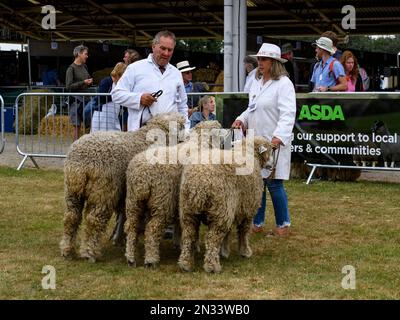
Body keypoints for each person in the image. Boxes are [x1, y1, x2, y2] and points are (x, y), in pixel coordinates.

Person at [231, 43, 296, 236]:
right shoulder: (256, 82)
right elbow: (252, 108)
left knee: (274, 183)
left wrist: (278, 137)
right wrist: (241, 119)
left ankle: (283, 224)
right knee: (257, 182)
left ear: (274, 62)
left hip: (273, 142)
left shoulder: (284, 84)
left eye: (264, 59)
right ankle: (257, 223)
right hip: (255, 141)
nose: (260, 62)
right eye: (259, 59)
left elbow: (288, 113)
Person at [111, 30, 189, 131]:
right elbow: (116, 95)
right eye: (163, 48)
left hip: (171, 133)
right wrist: (139, 98)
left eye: (170, 50)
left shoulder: (176, 73)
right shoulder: (135, 68)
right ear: (153, 46)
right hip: (142, 132)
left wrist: (186, 130)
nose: (166, 53)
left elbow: (182, 105)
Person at [65, 45, 93, 140]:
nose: (87, 56)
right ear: (79, 54)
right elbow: (68, 86)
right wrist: (83, 82)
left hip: (86, 100)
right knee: (77, 127)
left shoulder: (85, 66)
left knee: (89, 125)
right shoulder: (71, 69)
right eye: (85, 54)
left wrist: (89, 82)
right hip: (76, 102)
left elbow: (87, 79)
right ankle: (75, 150)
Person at [91, 62, 127, 132]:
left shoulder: (120, 84)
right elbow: (101, 97)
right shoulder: (106, 81)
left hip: (113, 117)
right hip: (102, 117)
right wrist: (117, 96)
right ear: (119, 74)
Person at [120, 49, 141, 131]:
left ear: (131, 58)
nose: (124, 59)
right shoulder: (126, 69)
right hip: (129, 104)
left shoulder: (133, 70)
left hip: (132, 104)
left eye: (126, 57)